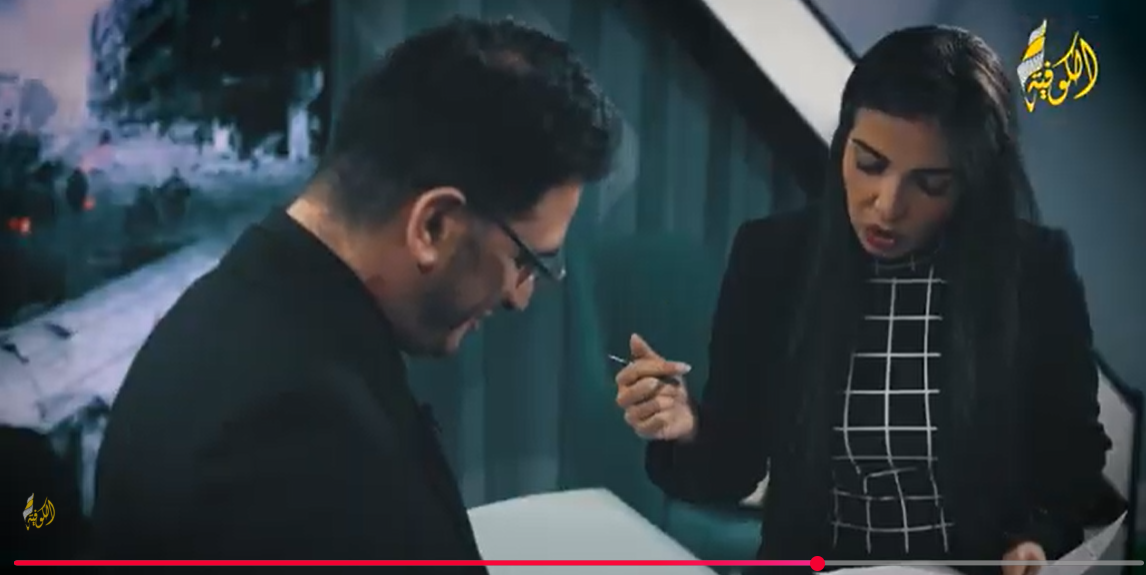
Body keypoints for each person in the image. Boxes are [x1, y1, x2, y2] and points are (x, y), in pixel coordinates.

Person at [91, 17, 619, 567]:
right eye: (524, 261)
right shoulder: (300, 445)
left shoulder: (246, 315)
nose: (518, 296)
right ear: (433, 225)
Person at [614, 25, 1110, 575]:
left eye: (930, 184)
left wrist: (1036, 542)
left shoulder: (1033, 270)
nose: (887, 205)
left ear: (974, 183)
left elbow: (1073, 464)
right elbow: (732, 467)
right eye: (870, 164)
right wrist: (687, 426)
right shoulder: (774, 257)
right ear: (842, 145)